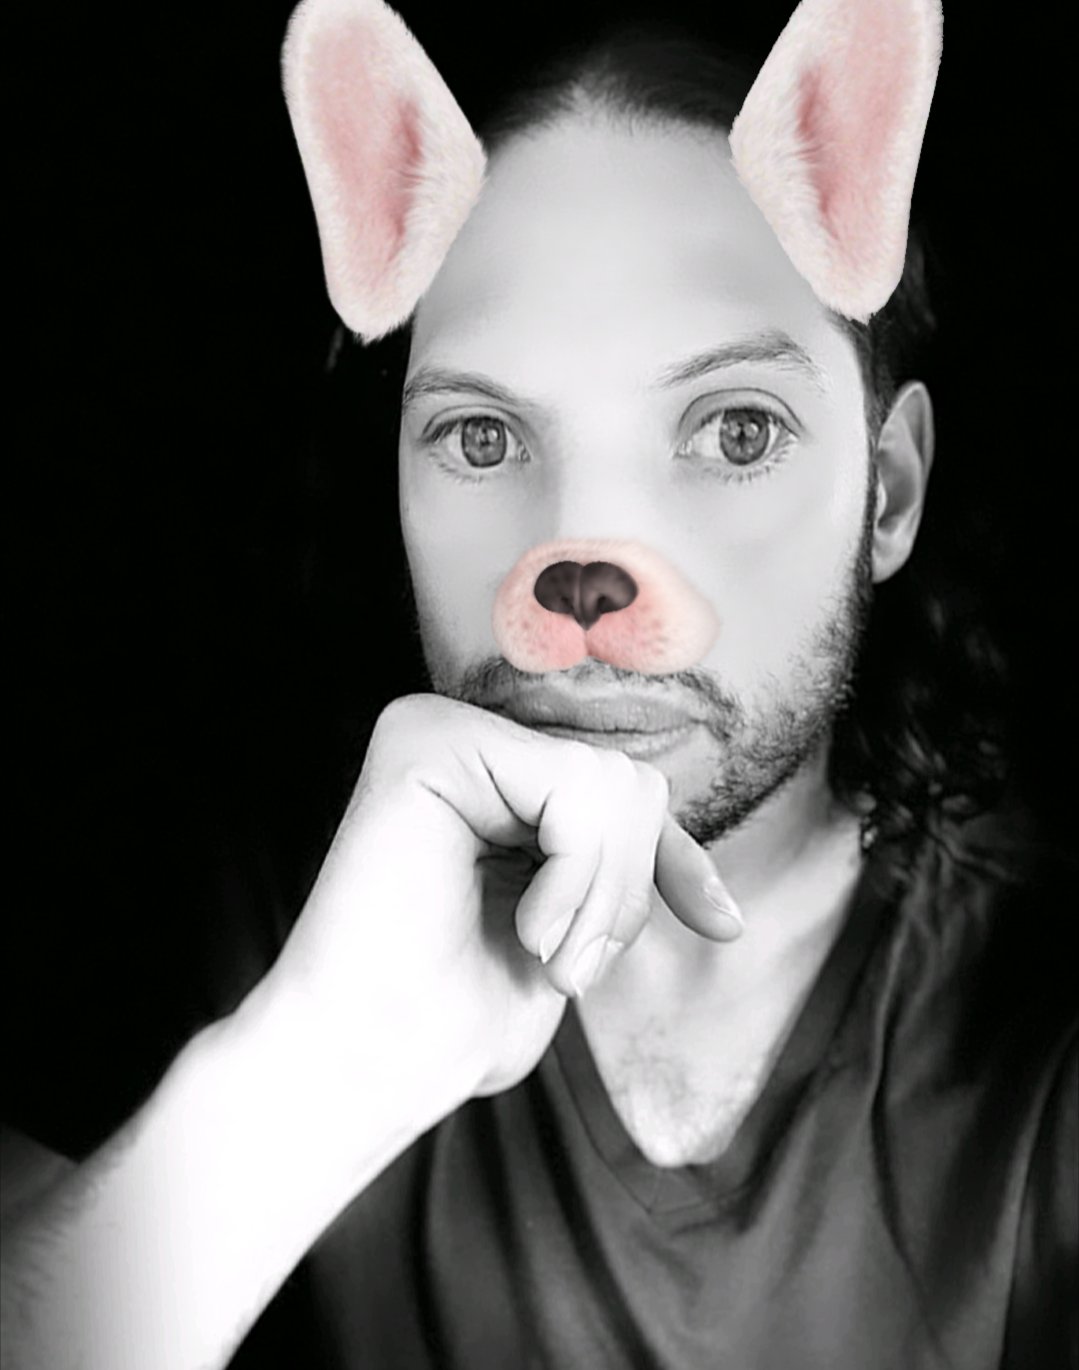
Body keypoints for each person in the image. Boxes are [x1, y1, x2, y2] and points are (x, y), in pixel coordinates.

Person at [2, 12, 1075, 1370]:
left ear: (889, 492)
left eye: (737, 430)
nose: (581, 558)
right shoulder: (209, 913)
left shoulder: (1044, 1008)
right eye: (481, 434)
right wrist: (307, 1082)